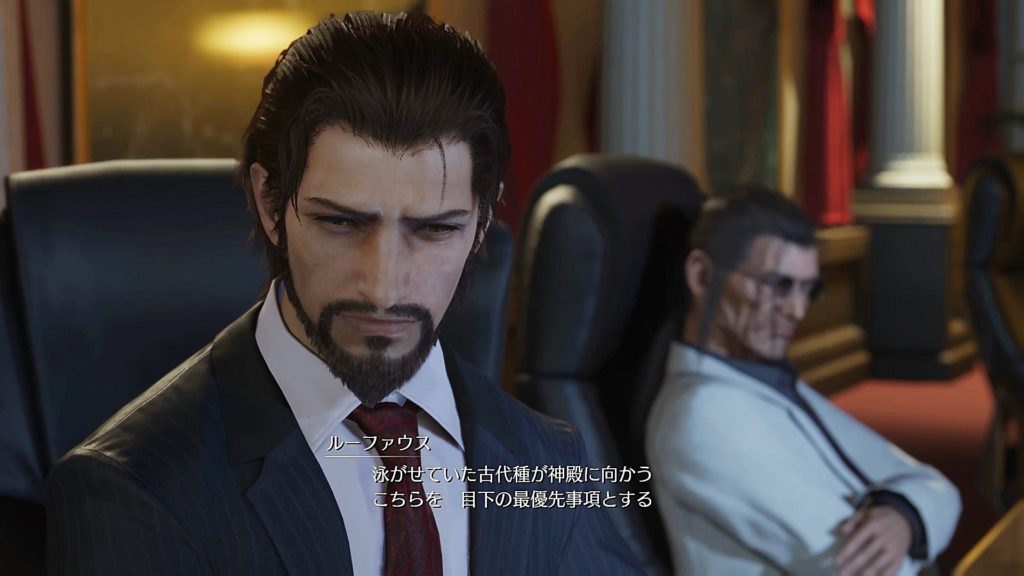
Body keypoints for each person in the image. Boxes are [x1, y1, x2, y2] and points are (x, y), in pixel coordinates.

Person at [46, 12, 641, 576]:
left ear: (482, 222)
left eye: (434, 230)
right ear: (270, 204)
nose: (383, 288)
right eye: (342, 223)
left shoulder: (550, 459)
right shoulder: (132, 489)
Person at [646, 186, 961, 576]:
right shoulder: (703, 415)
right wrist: (911, 524)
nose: (797, 310)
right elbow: (864, 569)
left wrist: (903, 516)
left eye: (808, 289)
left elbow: (939, 489)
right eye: (777, 285)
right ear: (702, 276)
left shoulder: (761, 380)